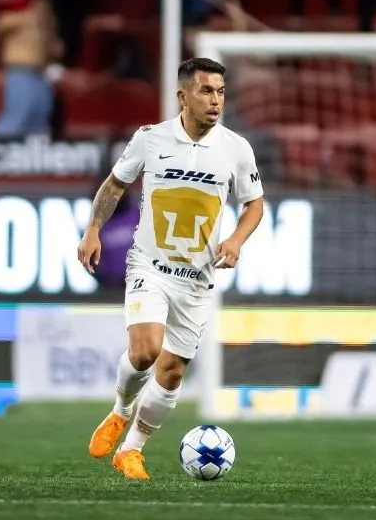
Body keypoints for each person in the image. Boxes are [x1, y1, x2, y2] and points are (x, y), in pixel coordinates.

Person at [76, 57, 265, 480]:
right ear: (183, 96)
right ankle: (120, 411)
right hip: (151, 265)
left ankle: (131, 451)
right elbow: (115, 184)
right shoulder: (150, 138)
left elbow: (254, 204)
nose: (215, 101)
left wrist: (234, 240)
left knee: (173, 371)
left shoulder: (236, 148)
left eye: (220, 92)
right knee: (145, 350)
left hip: (196, 279)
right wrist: (93, 229)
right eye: (205, 91)